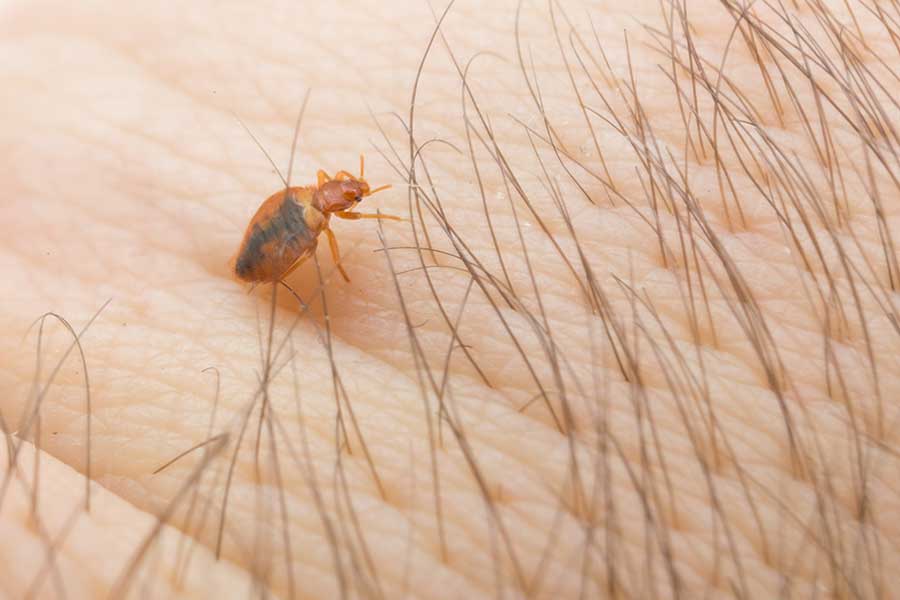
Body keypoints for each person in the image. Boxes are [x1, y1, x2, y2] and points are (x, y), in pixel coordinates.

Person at [1, 0, 897, 597]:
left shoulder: (301, 204)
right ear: (334, 196)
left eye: (346, 196)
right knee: (306, 260)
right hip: (266, 253)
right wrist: (325, 270)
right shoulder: (310, 222)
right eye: (345, 194)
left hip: (269, 241)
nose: (348, 195)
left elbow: (293, 223)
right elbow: (297, 240)